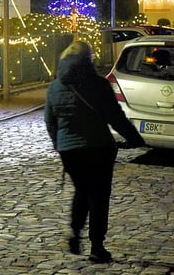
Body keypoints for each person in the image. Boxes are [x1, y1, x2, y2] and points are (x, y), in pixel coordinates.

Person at [44, 40, 146, 264]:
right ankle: (97, 246)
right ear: (88, 61)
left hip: (69, 151)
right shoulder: (98, 85)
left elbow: (50, 122)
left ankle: (76, 232)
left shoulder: (55, 87)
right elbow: (115, 117)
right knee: (98, 197)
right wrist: (135, 138)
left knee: (82, 191)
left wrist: (60, 145)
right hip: (98, 149)